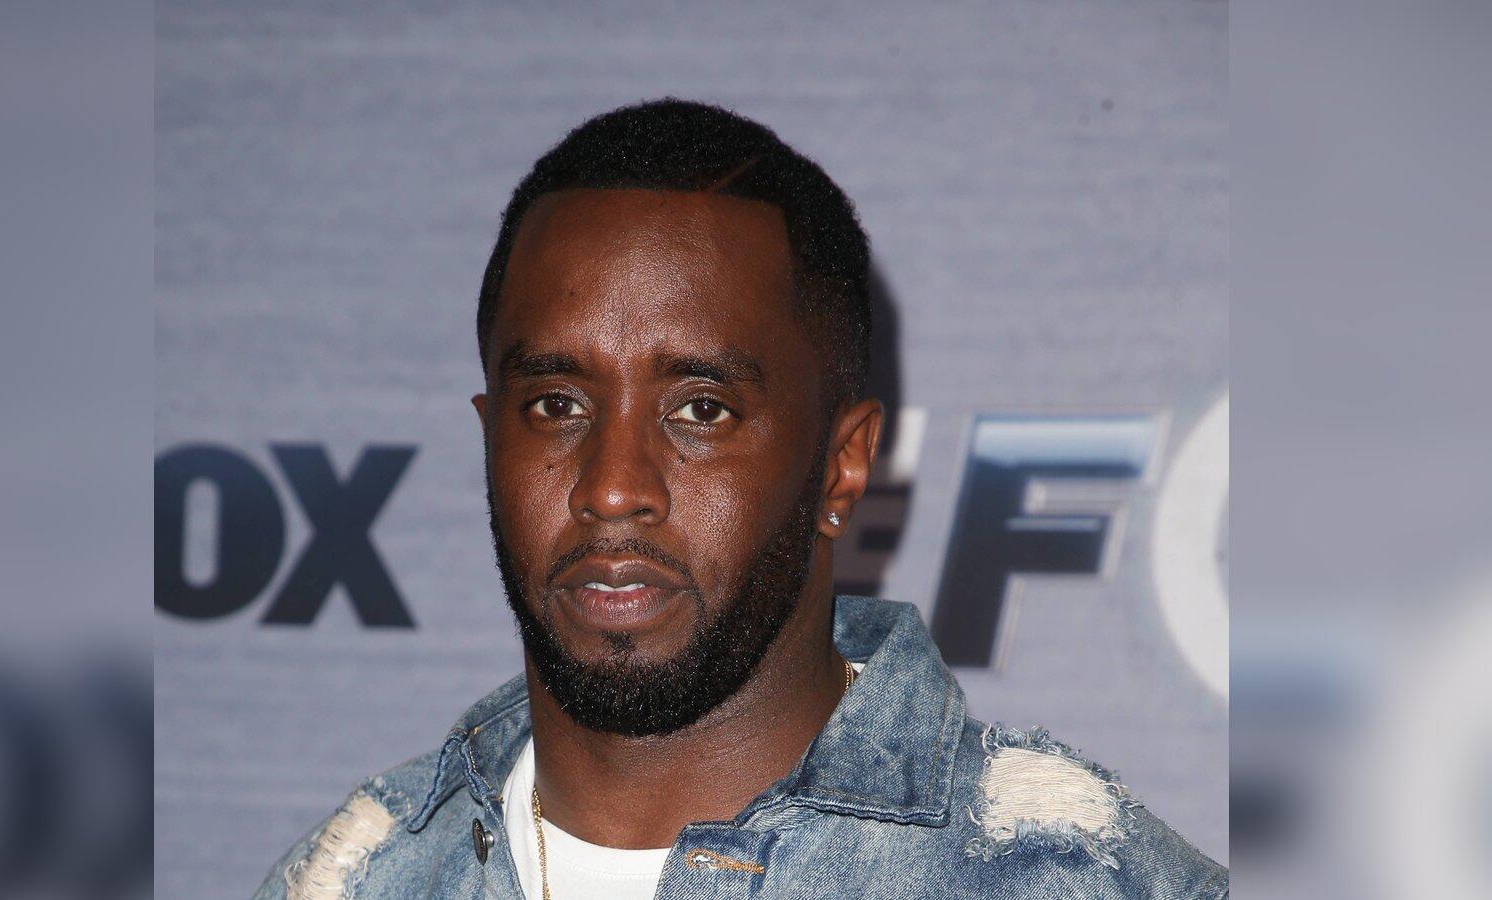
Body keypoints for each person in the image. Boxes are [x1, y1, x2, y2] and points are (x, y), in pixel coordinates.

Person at [254, 98, 1226, 900]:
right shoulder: (350, 883)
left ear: (841, 466)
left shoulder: (1080, 886)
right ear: (490, 440)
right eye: (555, 405)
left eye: (701, 409)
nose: (613, 488)